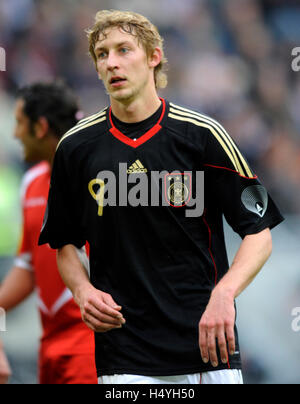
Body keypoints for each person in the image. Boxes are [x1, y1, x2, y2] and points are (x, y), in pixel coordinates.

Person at [39, 10, 284, 385]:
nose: (112, 62)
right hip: (125, 351)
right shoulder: (75, 148)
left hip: (207, 344)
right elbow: (64, 243)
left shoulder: (203, 136)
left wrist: (225, 293)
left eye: (124, 50)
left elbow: (259, 232)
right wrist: (82, 289)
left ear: (154, 56)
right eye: (102, 54)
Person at [0, 82, 97, 384]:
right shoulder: (31, 181)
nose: (15, 134)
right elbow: (28, 264)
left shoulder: (102, 180)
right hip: (50, 346)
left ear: (41, 127)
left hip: (93, 347)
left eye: (19, 123)